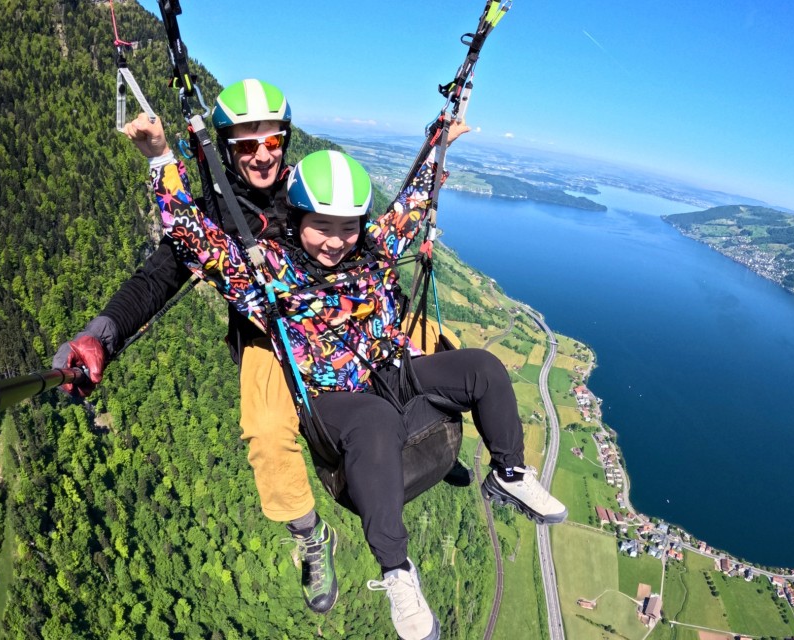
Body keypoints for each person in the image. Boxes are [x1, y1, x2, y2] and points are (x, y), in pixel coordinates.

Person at [122, 108, 568, 640]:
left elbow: (412, 203)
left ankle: (510, 473)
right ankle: (398, 572)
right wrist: (160, 158)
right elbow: (194, 237)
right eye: (321, 227)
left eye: (347, 227)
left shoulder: (374, 251)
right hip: (335, 402)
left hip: (394, 371)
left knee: (484, 367)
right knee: (376, 423)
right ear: (298, 220)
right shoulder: (267, 276)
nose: (335, 241)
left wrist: (439, 141)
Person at [53, 79, 340, 614]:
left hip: (332, 315)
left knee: (419, 346)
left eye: (272, 142)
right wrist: (102, 335)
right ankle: (310, 533)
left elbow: (362, 236)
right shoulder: (212, 214)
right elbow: (158, 277)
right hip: (267, 335)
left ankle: (430, 440)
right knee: (268, 431)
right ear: (227, 150)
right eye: (247, 144)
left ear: (287, 141)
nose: (262, 156)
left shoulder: (310, 190)